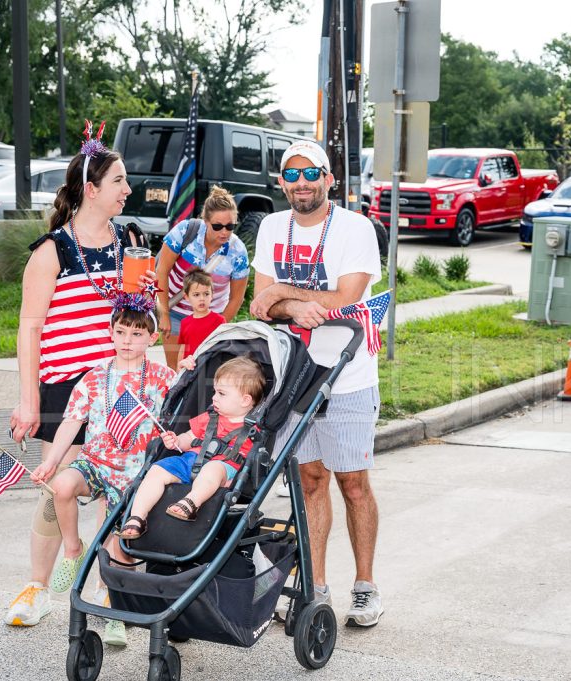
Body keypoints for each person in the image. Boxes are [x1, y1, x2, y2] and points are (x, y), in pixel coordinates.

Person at [5, 128, 155, 629]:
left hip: (122, 383)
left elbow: (145, 316)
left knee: (116, 490)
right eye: (119, 180)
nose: (127, 189)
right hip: (66, 384)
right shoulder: (52, 251)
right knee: (57, 489)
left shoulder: (131, 242)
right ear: (91, 188)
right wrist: (29, 402)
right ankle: (38, 587)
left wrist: (150, 298)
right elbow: (29, 329)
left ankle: (104, 591)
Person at [250, 140, 384, 628]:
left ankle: (365, 586)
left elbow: (345, 298)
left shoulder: (355, 228)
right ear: (281, 182)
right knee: (308, 482)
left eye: (312, 174)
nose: (301, 183)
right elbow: (257, 304)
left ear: (330, 179)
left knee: (353, 484)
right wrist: (291, 303)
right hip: (294, 374)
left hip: (347, 377)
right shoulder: (270, 227)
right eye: (292, 175)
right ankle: (315, 587)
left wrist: (283, 292)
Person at [29, 294, 175, 645]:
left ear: (151, 338)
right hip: (94, 463)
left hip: (135, 473)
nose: (128, 341)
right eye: (121, 332)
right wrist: (50, 461)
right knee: (61, 487)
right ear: (110, 333)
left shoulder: (162, 378)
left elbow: (178, 420)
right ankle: (73, 549)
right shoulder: (93, 378)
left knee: (120, 548)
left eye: (137, 334)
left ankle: (113, 606)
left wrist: (174, 436)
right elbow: (71, 421)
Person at [118, 356, 264, 539]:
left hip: (222, 467)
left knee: (212, 469)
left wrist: (233, 480)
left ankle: (191, 503)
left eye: (221, 393)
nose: (214, 397)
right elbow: (190, 437)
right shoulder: (209, 417)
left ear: (245, 400)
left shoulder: (253, 430)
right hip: (190, 460)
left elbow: (250, 460)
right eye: (214, 392)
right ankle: (137, 516)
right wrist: (177, 441)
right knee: (156, 470)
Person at [156, 185, 249, 367]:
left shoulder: (237, 251)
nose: (224, 232)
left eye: (230, 226)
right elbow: (162, 271)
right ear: (205, 221)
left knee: (203, 373)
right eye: (217, 226)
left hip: (210, 317)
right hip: (176, 313)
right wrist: (164, 313)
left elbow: (237, 298)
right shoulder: (185, 232)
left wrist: (218, 327)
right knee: (176, 371)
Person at [175, 268, 225, 368]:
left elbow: (224, 348)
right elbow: (182, 349)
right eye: (196, 295)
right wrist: (178, 371)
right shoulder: (185, 322)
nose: (202, 298)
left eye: (206, 294)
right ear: (187, 297)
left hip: (211, 369)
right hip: (190, 370)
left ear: (212, 295)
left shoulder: (219, 320)